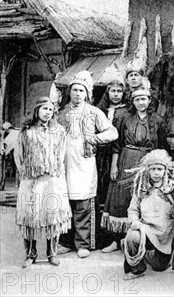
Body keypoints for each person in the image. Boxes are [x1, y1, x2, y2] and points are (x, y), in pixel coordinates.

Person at [57, 71, 118, 258]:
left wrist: (94, 139)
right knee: (65, 202)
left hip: (84, 164)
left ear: (87, 93)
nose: (77, 94)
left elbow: (112, 132)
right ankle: (65, 242)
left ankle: (83, 244)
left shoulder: (94, 112)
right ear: (70, 92)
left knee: (83, 202)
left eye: (81, 91)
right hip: (64, 164)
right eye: (74, 90)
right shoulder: (61, 113)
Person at [102, 88, 167, 253]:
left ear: (149, 100)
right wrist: (114, 165)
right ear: (133, 101)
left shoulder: (158, 120)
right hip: (126, 159)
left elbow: (162, 146)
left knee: (142, 197)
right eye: (137, 99)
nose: (141, 103)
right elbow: (116, 145)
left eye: (144, 99)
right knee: (121, 197)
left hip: (147, 163)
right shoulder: (124, 119)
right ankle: (116, 240)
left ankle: (138, 240)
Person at [15, 97, 71, 268]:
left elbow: (62, 154)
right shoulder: (26, 131)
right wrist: (27, 172)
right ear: (37, 110)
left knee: (52, 214)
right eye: (44, 109)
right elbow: (19, 155)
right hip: (31, 180)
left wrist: (55, 171)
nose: (48, 112)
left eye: (51, 109)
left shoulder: (59, 131)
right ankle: (30, 254)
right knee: (30, 215)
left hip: (52, 180)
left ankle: (52, 252)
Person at [122, 149, 174, 280]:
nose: (156, 173)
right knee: (132, 237)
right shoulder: (141, 188)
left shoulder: (171, 190)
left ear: (165, 170)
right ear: (147, 170)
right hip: (145, 228)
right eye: (153, 169)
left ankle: (147, 254)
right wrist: (134, 221)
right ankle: (137, 269)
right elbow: (133, 209)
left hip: (165, 233)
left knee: (159, 267)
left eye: (159, 169)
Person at [95, 80, 128, 205]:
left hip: (118, 150)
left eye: (119, 91)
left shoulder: (127, 111)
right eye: (113, 91)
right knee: (100, 179)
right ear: (107, 93)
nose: (116, 94)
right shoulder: (100, 110)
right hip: (101, 151)